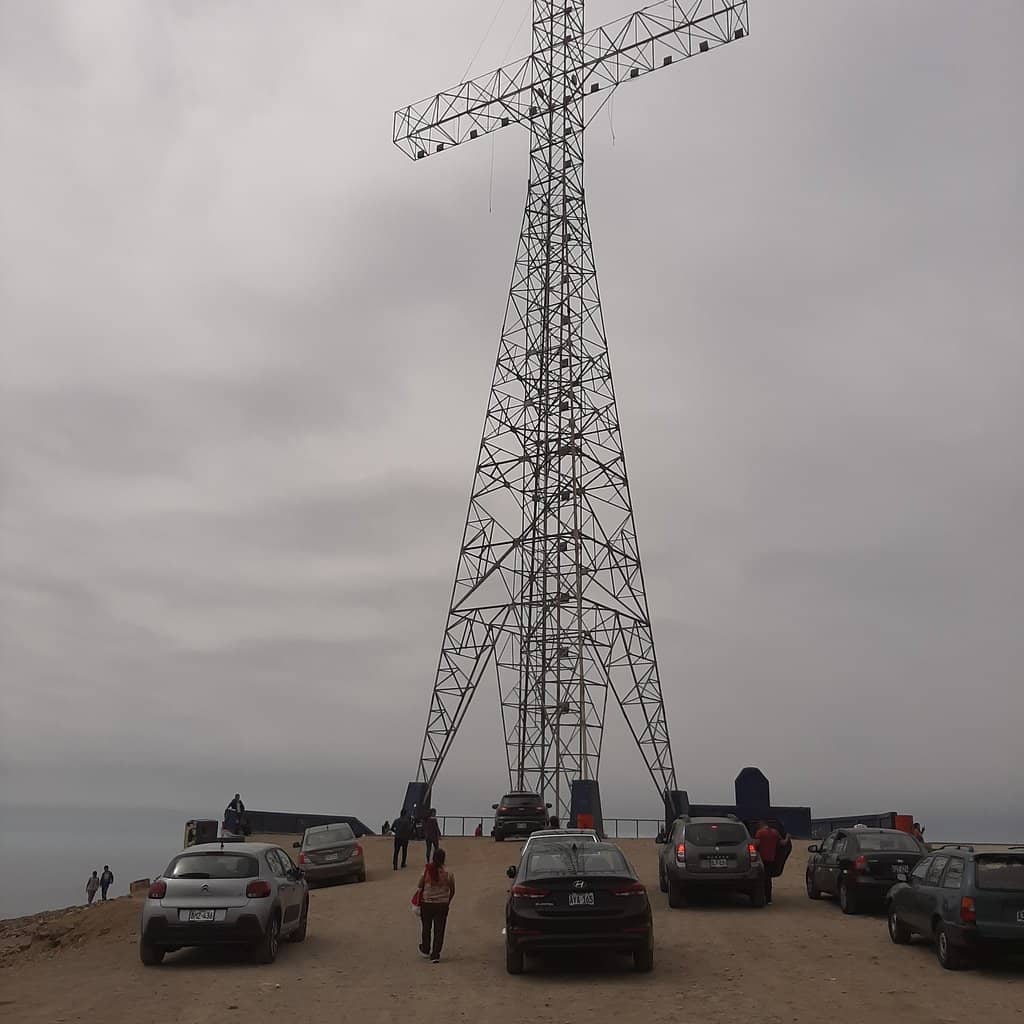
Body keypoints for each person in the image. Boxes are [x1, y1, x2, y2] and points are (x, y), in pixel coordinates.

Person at [417, 847, 455, 963]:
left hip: (427, 903)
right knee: (439, 930)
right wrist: (447, 901)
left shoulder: (427, 870)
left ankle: (425, 948)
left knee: (426, 927)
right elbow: (452, 890)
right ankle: (435, 954)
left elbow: (419, 885)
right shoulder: (448, 873)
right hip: (442, 904)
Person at [754, 820, 781, 904]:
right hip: (771, 858)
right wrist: (787, 837)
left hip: (761, 859)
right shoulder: (775, 832)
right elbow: (782, 843)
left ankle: (761, 897)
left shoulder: (760, 832)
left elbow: (756, 844)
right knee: (768, 879)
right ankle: (769, 899)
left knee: (761, 879)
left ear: (761, 825)